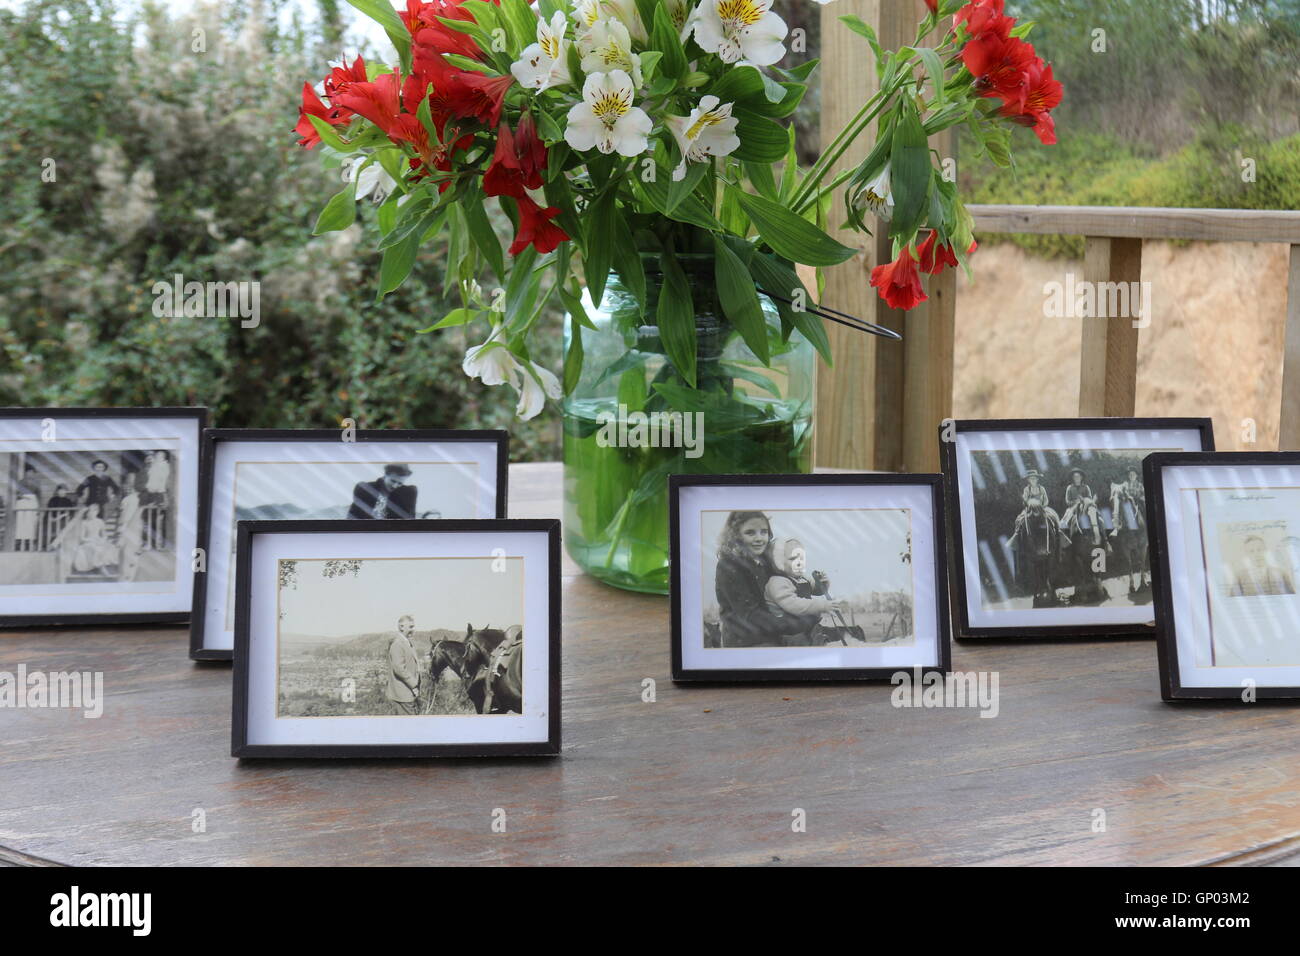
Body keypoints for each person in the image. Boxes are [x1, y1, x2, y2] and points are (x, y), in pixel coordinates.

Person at [713, 511, 806, 647]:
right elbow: (750, 615)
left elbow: (786, 584)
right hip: (745, 641)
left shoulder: (764, 561)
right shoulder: (729, 566)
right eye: (750, 533)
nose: (759, 538)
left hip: (771, 631)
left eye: (764, 532)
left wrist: (814, 587)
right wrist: (794, 624)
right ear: (735, 536)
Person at [764, 536, 842, 645]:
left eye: (801, 558)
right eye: (793, 559)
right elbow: (794, 605)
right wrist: (822, 605)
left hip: (805, 628)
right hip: (788, 633)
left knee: (837, 636)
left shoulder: (801, 579)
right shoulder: (777, 582)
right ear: (778, 563)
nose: (799, 563)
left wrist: (822, 583)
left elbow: (816, 590)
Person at [1229, 536, 1294, 597]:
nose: (1257, 554)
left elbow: (1292, 598)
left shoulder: (1281, 573)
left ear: (1266, 551)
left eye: (1260, 549)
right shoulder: (1239, 576)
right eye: (1251, 551)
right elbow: (1233, 601)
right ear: (1247, 554)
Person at [348, 464, 418, 519]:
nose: (395, 485)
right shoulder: (364, 488)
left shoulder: (408, 493)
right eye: (393, 481)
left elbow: (409, 519)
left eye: (400, 483)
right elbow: (354, 515)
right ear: (385, 475)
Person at [385, 614, 421, 715]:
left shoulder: (406, 642)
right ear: (401, 627)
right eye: (410, 627)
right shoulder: (397, 644)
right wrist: (414, 685)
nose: (413, 630)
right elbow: (399, 669)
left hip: (408, 693)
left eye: (413, 626)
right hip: (403, 694)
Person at [71, 504, 115, 576]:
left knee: (110, 547)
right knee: (95, 549)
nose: (90, 514)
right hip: (88, 542)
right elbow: (82, 538)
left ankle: (108, 568)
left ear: (97, 512)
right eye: (89, 512)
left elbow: (105, 536)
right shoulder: (84, 523)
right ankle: (101, 568)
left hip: (98, 541)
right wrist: (91, 540)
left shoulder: (100, 522)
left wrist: (102, 540)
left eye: (93, 511)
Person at [1061, 468, 1102, 545]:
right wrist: (1076, 502)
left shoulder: (1086, 487)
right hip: (1073, 507)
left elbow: (1089, 498)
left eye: (1078, 476)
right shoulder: (1070, 487)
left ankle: (1103, 539)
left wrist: (1084, 500)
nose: (1077, 478)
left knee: (1098, 518)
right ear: (1073, 478)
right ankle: (1064, 539)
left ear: (1081, 477)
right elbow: (1067, 501)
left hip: (1085, 506)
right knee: (1064, 520)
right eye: (1075, 477)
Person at [117, 473, 143, 581]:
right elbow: (123, 513)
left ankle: (130, 573)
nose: (127, 490)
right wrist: (122, 523)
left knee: (133, 547)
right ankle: (125, 575)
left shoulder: (137, 498)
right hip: (126, 524)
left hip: (134, 523)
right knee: (126, 549)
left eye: (129, 488)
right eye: (126, 488)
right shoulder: (125, 500)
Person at [12, 464, 41, 551]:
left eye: (33, 473)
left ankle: (29, 544)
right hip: (22, 504)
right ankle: (18, 543)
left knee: (31, 524)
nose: (32, 474)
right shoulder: (20, 482)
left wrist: (39, 508)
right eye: (30, 472)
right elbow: (16, 494)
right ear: (26, 472)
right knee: (21, 524)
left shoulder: (36, 483)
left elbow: (39, 496)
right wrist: (22, 497)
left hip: (32, 504)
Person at [45, 484, 76, 550]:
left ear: (65, 492)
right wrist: (53, 518)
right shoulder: (52, 500)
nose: (62, 492)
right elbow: (48, 512)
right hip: (53, 520)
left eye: (63, 490)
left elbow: (71, 512)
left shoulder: (68, 501)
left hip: (64, 520)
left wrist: (62, 516)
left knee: (64, 527)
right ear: (57, 491)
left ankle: (59, 545)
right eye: (60, 490)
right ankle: (52, 545)